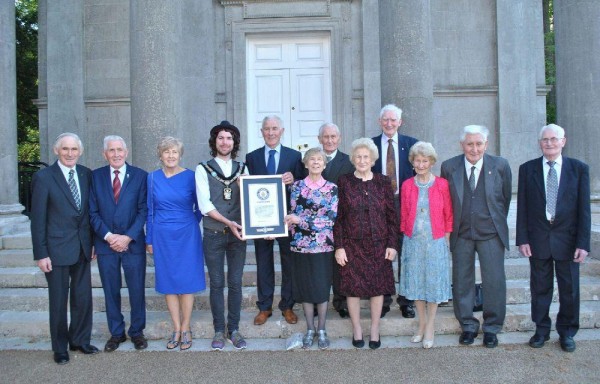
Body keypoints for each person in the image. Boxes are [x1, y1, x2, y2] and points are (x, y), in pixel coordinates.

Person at [516, 124, 591, 353]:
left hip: (568, 241)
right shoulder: (527, 169)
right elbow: (522, 207)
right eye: (545, 139)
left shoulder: (578, 169)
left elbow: (584, 209)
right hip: (538, 239)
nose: (549, 143)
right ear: (540, 143)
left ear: (563, 141)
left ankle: (567, 332)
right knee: (540, 288)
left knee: (569, 289)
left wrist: (583, 243)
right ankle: (541, 330)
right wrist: (522, 239)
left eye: (554, 139)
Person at [440, 125, 512, 348]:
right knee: (462, 280)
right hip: (461, 233)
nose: (474, 148)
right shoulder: (449, 166)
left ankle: (492, 327)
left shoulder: (500, 165)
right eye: (469, 144)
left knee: (494, 281)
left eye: (479, 143)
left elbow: (505, 199)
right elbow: (447, 201)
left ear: (486, 144)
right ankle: (468, 326)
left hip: (490, 233)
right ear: (462, 145)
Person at [30, 132, 99, 364]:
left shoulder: (86, 174)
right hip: (55, 250)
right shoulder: (44, 177)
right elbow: (37, 218)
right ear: (56, 151)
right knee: (58, 301)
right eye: (65, 149)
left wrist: (92, 244)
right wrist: (41, 253)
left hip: (82, 248)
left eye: (74, 149)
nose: (70, 153)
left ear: (80, 151)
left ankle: (79, 340)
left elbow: (89, 213)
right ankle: (60, 347)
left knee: (83, 298)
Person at [334, 138, 398, 350]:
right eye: (358, 157)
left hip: (379, 244)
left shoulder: (383, 181)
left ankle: (375, 329)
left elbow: (391, 216)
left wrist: (392, 244)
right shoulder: (343, 182)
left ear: (373, 160)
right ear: (353, 159)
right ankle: (357, 329)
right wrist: (339, 246)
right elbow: (339, 217)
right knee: (352, 289)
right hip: (352, 245)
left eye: (366, 157)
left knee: (377, 288)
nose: (362, 160)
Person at [146, 136, 205, 351]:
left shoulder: (191, 176)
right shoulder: (152, 178)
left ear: (180, 155)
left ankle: (187, 328)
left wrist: (187, 223)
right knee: (169, 282)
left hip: (187, 235)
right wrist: (149, 238)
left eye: (174, 152)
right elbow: (150, 210)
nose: (171, 156)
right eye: (166, 152)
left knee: (186, 282)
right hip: (162, 235)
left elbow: (200, 208)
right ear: (160, 155)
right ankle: (176, 328)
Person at [89, 135, 148, 352]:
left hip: (132, 244)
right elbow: (92, 212)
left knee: (136, 289)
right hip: (106, 245)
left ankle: (137, 332)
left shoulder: (141, 176)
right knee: (110, 290)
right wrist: (108, 237)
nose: (116, 154)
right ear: (105, 154)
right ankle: (116, 333)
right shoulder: (94, 177)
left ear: (126, 152)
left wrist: (128, 236)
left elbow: (143, 210)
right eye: (111, 150)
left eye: (119, 150)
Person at [245, 115, 305, 326]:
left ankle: (287, 306)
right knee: (263, 263)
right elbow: (248, 191)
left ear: (282, 131)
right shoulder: (251, 158)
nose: (271, 132)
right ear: (261, 132)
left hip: (287, 219)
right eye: (267, 129)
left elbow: (303, 186)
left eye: (274, 128)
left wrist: (294, 179)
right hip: (261, 222)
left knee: (289, 263)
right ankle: (264, 307)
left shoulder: (295, 156)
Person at [195, 121, 248, 350]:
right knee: (216, 283)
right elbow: (204, 205)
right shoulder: (202, 168)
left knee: (235, 283)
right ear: (214, 141)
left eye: (229, 138)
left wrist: (261, 227)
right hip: (214, 233)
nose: (225, 142)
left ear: (234, 142)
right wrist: (229, 222)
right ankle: (219, 330)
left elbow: (252, 202)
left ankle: (233, 329)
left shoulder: (243, 169)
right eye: (220, 138)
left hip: (238, 235)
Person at [399, 142, 453, 349]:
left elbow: (448, 211)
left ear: (431, 162)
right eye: (417, 160)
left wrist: (447, 234)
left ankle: (430, 326)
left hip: (435, 240)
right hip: (413, 241)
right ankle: (421, 324)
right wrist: (406, 233)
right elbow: (404, 212)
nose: (420, 164)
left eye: (425, 161)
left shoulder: (441, 184)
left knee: (432, 282)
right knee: (416, 283)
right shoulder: (407, 185)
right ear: (412, 162)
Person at [285, 147, 338, 350]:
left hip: (323, 246)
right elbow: (291, 214)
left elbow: (330, 220)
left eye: (319, 159)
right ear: (305, 164)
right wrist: (286, 224)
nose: (316, 162)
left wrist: (301, 220)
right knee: (306, 288)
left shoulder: (332, 188)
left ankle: (322, 329)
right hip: (299, 246)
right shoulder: (296, 187)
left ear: (325, 164)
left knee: (321, 288)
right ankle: (309, 328)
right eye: (312, 159)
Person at [371, 104, 418, 318]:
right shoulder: (370, 146)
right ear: (380, 122)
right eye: (385, 120)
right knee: (382, 253)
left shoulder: (412, 145)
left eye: (393, 120)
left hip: (405, 204)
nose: (389, 124)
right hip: (378, 206)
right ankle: (384, 299)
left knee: (406, 253)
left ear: (400, 122)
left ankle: (406, 300)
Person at [318, 123, 354, 319]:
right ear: (320, 139)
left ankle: (341, 302)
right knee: (320, 264)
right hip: (317, 223)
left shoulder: (348, 162)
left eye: (333, 136)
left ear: (339, 139)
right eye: (326, 137)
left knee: (341, 264)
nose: (330, 140)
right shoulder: (311, 159)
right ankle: (319, 300)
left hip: (341, 219)